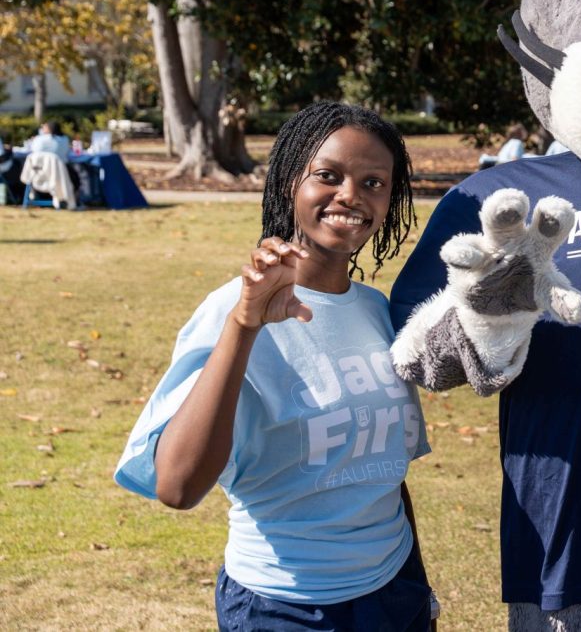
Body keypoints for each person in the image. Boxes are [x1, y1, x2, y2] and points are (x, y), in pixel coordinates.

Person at [115, 102, 437, 631]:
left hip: (393, 590)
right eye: (328, 176)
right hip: (283, 606)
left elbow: (386, 479)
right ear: (290, 182)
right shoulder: (229, 311)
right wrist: (245, 326)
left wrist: (417, 594)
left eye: (373, 182)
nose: (351, 196)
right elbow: (177, 486)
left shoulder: (379, 312)